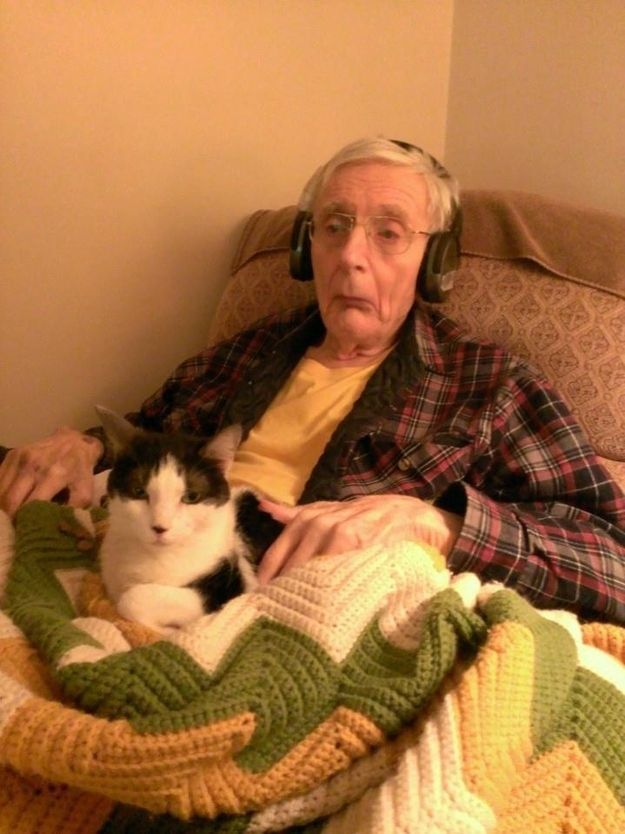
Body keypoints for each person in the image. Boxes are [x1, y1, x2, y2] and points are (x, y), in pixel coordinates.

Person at [1, 137, 625, 623]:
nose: (352, 255)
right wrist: (81, 446)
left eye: (388, 233)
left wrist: (438, 524)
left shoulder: (490, 385)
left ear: (435, 263)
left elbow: (612, 559)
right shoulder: (246, 352)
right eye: (334, 227)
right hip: (137, 563)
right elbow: (146, 440)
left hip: (285, 607)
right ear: (307, 251)